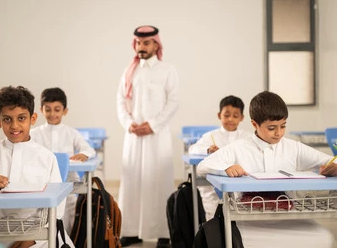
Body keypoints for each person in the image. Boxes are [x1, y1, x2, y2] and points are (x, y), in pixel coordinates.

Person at [197, 91, 337, 248]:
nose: (279, 133)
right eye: (272, 128)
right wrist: (226, 168)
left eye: (283, 126)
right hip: (247, 219)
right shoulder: (239, 148)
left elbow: (329, 160)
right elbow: (202, 166)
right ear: (254, 124)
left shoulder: (293, 148)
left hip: (290, 217)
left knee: (325, 238)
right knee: (240, 241)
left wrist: (334, 167)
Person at [0, 85, 74, 248]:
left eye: (21, 118)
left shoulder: (47, 157)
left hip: (38, 235)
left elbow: (57, 208)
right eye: (7, 119)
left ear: (33, 119)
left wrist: (31, 239)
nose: (14, 126)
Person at [116, 25, 179, 247]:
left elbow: (173, 101)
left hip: (157, 136)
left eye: (146, 43)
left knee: (159, 181)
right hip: (133, 137)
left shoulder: (168, 70)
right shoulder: (129, 71)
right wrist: (130, 125)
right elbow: (121, 102)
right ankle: (131, 231)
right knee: (133, 182)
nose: (141, 47)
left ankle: (163, 232)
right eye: (138, 43)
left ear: (156, 44)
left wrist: (152, 125)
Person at [30, 87, 96, 234]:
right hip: (43, 184)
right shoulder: (34, 134)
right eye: (48, 109)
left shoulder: (71, 133)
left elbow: (89, 150)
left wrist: (84, 154)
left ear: (65, 111)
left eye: (57, 109)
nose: (52, 114)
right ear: (41, 110)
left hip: (68, 185)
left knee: (69, 217)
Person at [189, 95, 252, 220]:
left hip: (239, 184)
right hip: (212, 187)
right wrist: (207, 149)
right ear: (219, 115)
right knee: (212, 216)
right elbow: (192, 149)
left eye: (235, 116)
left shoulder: (247, 137)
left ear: (242, 117)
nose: (230, 119)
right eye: (226, 115)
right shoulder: (211, 136)